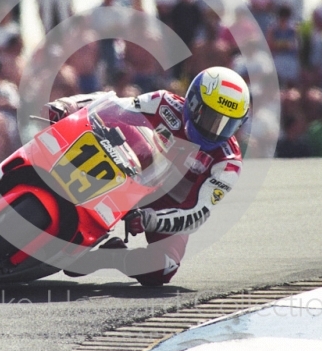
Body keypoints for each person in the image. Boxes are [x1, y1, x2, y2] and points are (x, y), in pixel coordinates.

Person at [45, 66, 250, 286]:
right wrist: (71, 106)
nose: (214, 131)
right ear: (193, 102)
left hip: (166, 206)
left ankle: (110, 257)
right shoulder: (164, 103)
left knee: (163, 268)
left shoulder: (228, 162)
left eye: (226, 124)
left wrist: (150, 219)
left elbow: (197, 213)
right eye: (209, 118)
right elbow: (115, 106)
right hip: (129, 170)